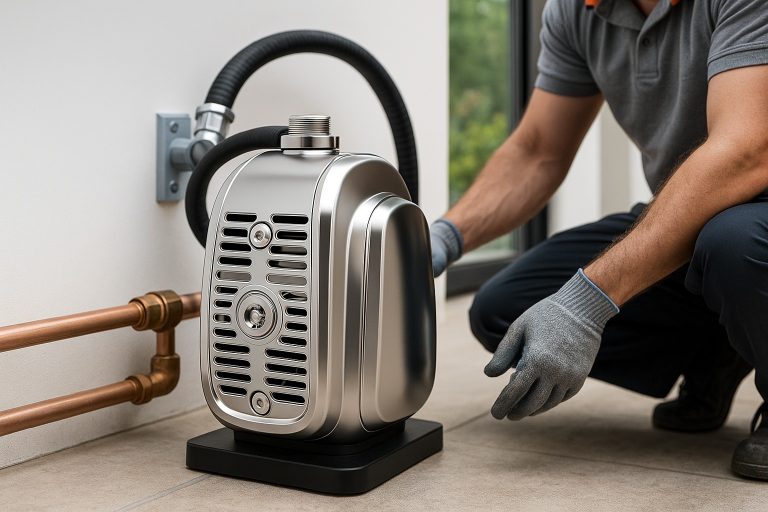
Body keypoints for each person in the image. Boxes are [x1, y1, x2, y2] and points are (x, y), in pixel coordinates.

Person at [431, 0, 768, 480]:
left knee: (733, 244)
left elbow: (746, 152)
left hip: (752, 213)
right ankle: (717, 349)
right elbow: (537, 152)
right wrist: (441, 239)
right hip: (706, 217)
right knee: (507, 307)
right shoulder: (574, 10)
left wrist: (585, 303)